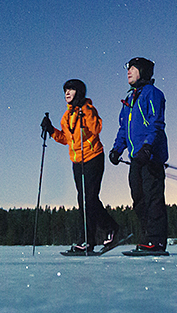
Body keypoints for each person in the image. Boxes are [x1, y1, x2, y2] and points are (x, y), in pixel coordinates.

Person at [40, 79, 120, 254]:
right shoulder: (66, 116)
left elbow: (97, 127)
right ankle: (95, 237)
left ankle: (101, 233)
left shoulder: (88, 110)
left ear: (80, 92)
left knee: (89, 199)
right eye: (66, 90)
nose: (67, 93)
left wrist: (84, 108)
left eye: (71, 90)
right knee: (83, 201)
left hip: (93, 157)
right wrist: (51, 130)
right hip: (77, 161)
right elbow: (66, 139)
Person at [110, 56, 169, 255]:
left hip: (150, 156)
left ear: (143, 71)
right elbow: (123, 128)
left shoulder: (152, 93)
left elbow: (156, 123)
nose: (128, 72)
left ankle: (157, 241)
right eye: (128, 68)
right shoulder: (128, 99)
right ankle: (147, 238)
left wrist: (147, 147)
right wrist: (117, 149)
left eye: (133, 68)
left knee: (153, 198)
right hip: (136, 157)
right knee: (138, 199)